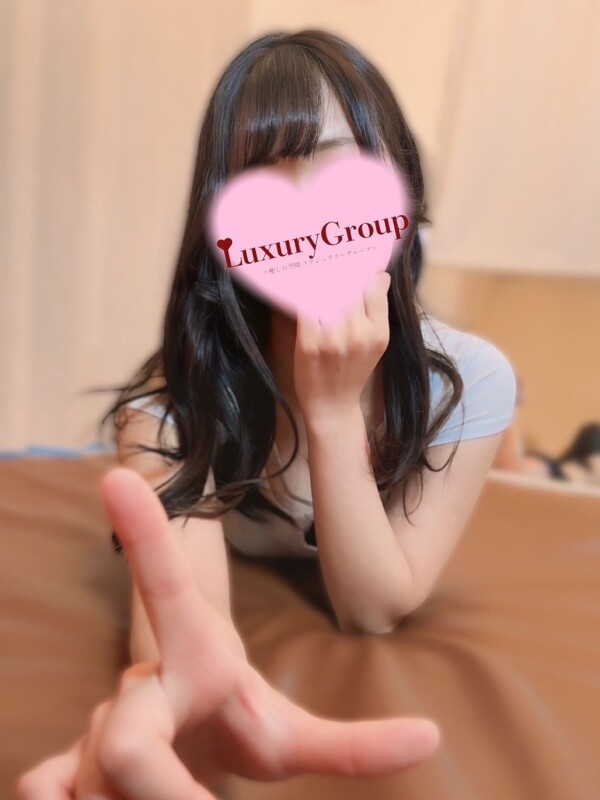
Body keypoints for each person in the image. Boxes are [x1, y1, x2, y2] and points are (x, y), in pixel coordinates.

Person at [17, 28, 518, 797]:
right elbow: (188, 622)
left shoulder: (472, 380)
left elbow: (372, 610)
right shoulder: (168, 410)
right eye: (262, 184)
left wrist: (332, 413)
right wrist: (190, 691)